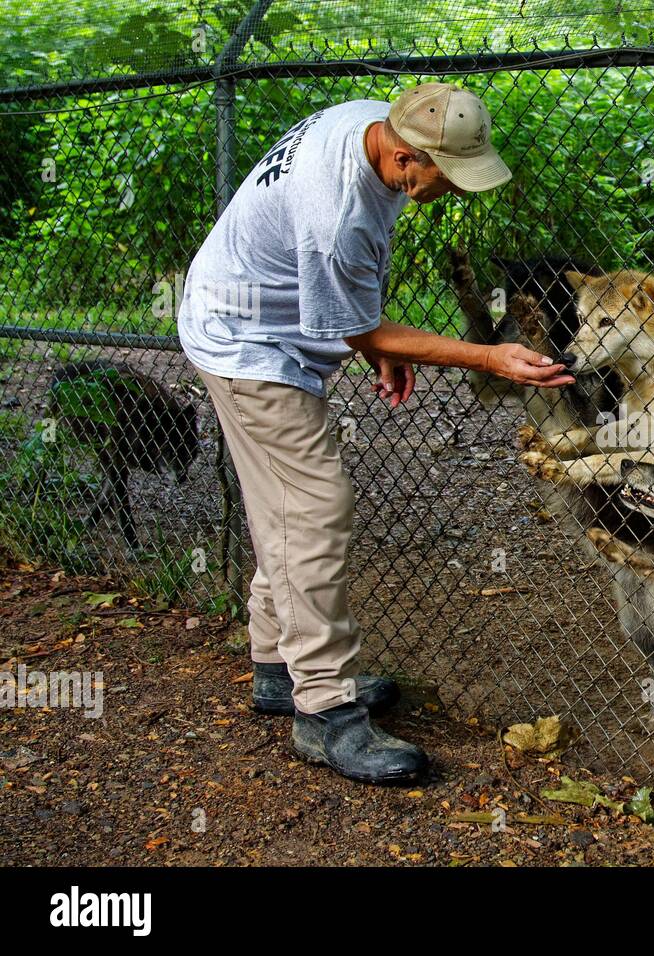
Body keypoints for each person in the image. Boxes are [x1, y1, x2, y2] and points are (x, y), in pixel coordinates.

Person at [177, 82, 573, 785]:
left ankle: (279, 670)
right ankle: (325, 712)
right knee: (314, 510)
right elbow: (354, 315)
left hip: (261, 317)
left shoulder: (370, 123)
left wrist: (376, 346)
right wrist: (487, 355)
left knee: (283, 511)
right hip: (245, 341)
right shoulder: (340, 211)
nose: (451, 190)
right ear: (403, 157)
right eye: (446, 177)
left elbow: (353, 311)